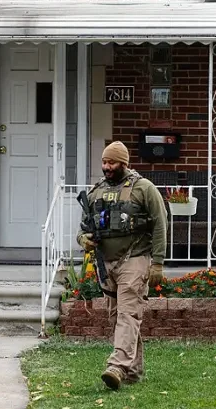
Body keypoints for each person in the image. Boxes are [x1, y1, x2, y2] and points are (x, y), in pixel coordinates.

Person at [77, 141, 168, 391]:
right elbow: (83, 228)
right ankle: (133, 371)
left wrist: (158, 263)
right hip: (106, 263)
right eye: (104, 162)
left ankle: (116, 366)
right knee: (118, 316)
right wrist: (83, 240)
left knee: (128, 313)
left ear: (124, 163)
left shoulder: (144, 188)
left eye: (112, 162)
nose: (107, 167)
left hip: (135, 259)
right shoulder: (96, 192)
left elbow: (160, 224)